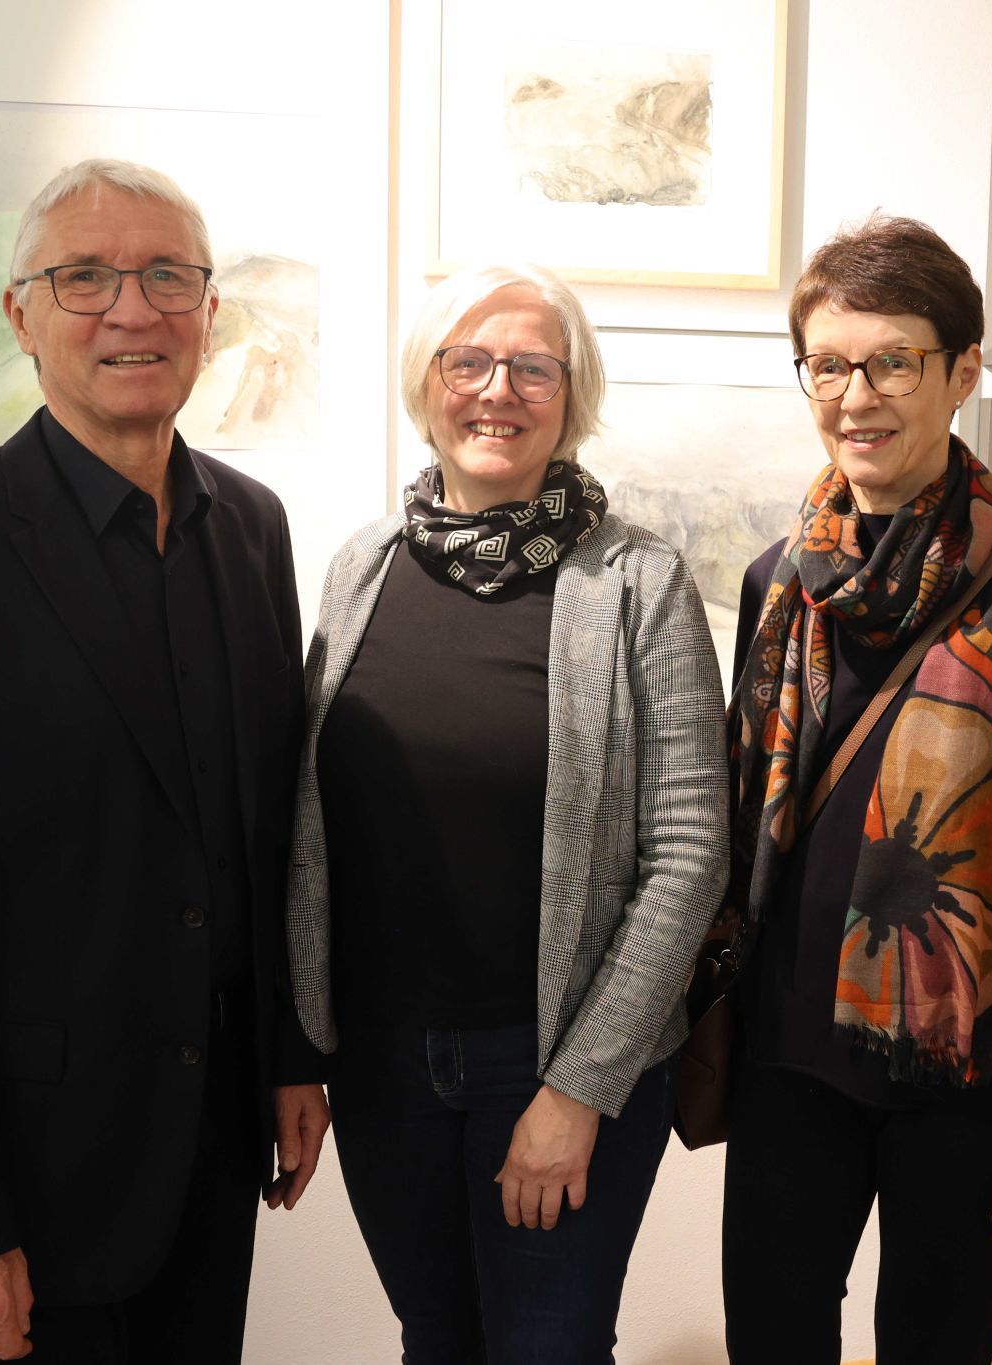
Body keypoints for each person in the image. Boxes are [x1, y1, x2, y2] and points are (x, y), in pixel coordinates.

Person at [0, 159, 328, 1365]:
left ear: (209, 311)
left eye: (167, 275)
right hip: (28, 1185)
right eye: (85, 277)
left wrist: (291, 1056)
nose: (132, 309)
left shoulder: (250, 529)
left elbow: (259, 832)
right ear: (21, 315)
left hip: (211, 1155)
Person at [285, 263, 727, 1363]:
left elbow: (687, 854)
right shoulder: (360, 568)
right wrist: (298, 1045)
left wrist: (576, 1088)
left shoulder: (637, 581)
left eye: (532, 367)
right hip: (383, 1063)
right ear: (425, 383)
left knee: (549, 1345)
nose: (498, 390)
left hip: (552, 1056)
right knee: (434, 1337)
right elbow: (306, 833)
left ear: (569, 397)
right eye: (468, 361)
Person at [719, 215, 992, 1363]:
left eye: (892, 360)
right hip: (786, 1065)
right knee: (769, 1340)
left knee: (934, 1347)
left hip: (971, 1073)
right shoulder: (777, 583)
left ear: (960, 372)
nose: (856, 395)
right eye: (827, 364)